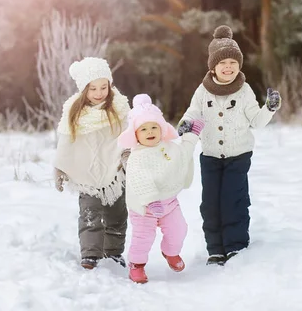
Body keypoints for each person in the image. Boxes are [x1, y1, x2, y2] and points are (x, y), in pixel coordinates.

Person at [179, 25, 282, 266]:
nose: (228, 67)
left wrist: (269, 108)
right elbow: (192, 114)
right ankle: (215, 249)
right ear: (213, 66)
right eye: (223, 63)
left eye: (233, 63)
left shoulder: (244, 90)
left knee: (234, 200)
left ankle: (235, 246)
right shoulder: (203, 91)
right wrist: (185, 125)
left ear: (239, 65)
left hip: (238, 156)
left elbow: (256, 121)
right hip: (211, 156)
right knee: (211, 203)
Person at [117, 94, 204, 283]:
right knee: (143, 238)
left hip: (169, 202)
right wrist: (151, 200)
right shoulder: (137, 156)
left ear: (162, 129)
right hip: (144, 206)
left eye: (154, 127)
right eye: (144, 129)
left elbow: (184, 153)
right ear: (136, 135)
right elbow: (140, 179)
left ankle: (170, 252)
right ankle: (137, 264)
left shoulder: (169, 148)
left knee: (179, 230)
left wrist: (193, 134)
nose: (150, 132)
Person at [54, 57, 131, 270]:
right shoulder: (74, 113)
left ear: (110, 85)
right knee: (90, 213)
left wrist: (126, 155)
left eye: (103, 87)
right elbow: (66, 142)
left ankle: (113, 252)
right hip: (85, 175)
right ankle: (90, 254)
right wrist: (60, 168)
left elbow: (126, 136)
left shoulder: (118, 108)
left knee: (117, 214)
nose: (99, 93)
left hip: (114, 172)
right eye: (93, 88)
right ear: (83, 90)